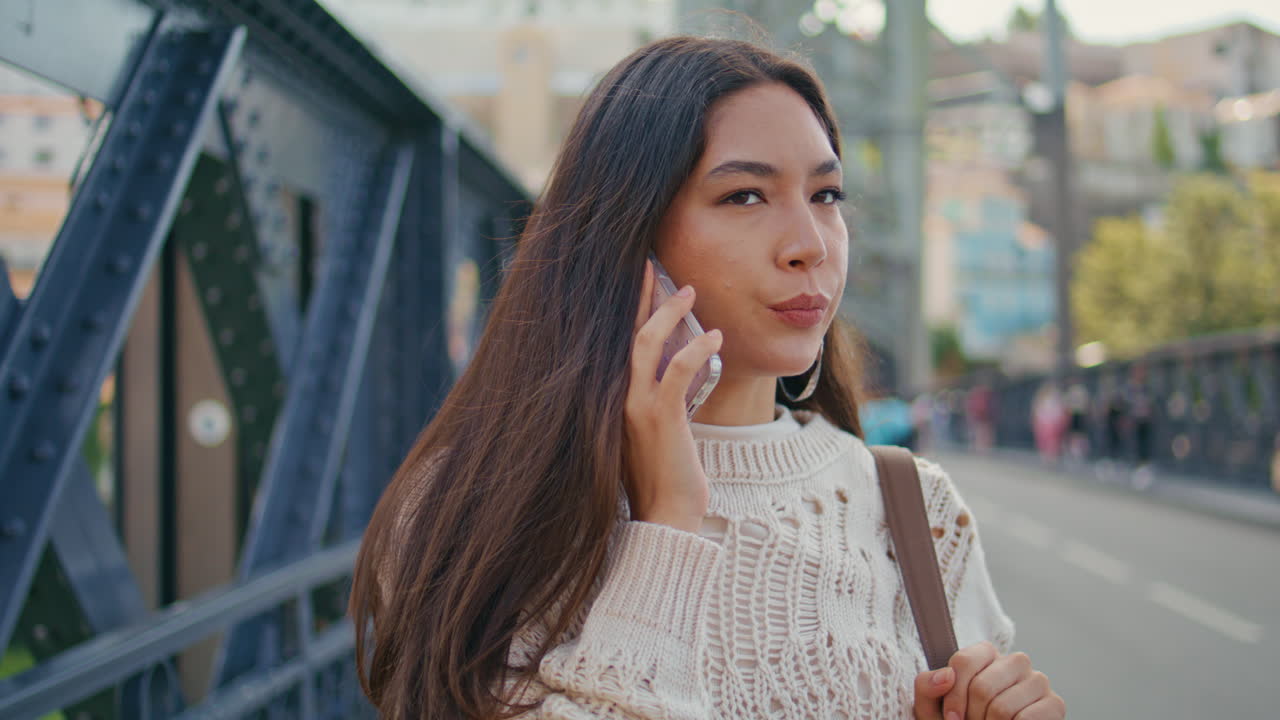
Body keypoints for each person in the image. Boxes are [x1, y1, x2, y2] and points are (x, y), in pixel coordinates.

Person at [348, 35, 1064, 720]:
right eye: (745, 197)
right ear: (629, 235)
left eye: (826, 195)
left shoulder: (911, 508)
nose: (809, 245)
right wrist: (667, 524)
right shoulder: (475, 508)